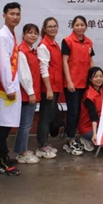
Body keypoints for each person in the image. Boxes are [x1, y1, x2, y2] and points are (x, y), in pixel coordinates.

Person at [0, 2, 22, 176]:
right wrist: (9, 87)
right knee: (2, 125)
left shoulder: (11, 34)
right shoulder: (2, 36)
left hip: (10, 85)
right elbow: (2, 64)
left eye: (18, 14)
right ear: (4, 15)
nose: (15, 17)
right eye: (12, 14)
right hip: (5, 88)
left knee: (5, 124)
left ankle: (0, 156)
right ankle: (1, 160)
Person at [36, 17, 71, 158]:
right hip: (48, 88)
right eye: (49, 26)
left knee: (50, 115)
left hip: (55, 86)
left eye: (55, 26)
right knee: (45, 117)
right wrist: (49, 89)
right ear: (44, 29)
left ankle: (45, 143)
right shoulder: (44, 46)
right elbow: (43, 68)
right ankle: (42, 146)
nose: (53, 28)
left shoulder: (55, 44)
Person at [61, 15, 95, 153]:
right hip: (72, 84)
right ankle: (70, 140)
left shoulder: (88, 42)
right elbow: (64, 62)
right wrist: (69, 81)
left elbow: (91, 61)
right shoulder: (67, 41)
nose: (80, 27)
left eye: (82, 25)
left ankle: (81, 137)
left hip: (85, 83)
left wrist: (94, 78)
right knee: (73, 112)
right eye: (77, 25)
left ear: (86, 26)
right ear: (73, 26)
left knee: (82, 112)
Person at [13, 23, 42, 164]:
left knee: (25, 124)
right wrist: (31, 93)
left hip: (31, 93)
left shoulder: (32, 51)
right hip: (26, 94)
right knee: (25, 124)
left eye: (35, 33)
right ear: (23, 34)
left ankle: (21, 149)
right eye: (30, 32)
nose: (33, 35)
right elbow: (23, 75)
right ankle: (22, 153)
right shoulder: (22, 51)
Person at [78, 67, 103, 152]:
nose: (99, 79)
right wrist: (94, 134)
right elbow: (93, 115)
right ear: (90, 79)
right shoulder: (88, 95)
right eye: (95, 77)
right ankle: (85, 139)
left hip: (100, 124)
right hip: (88, 127)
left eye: (100, 76)